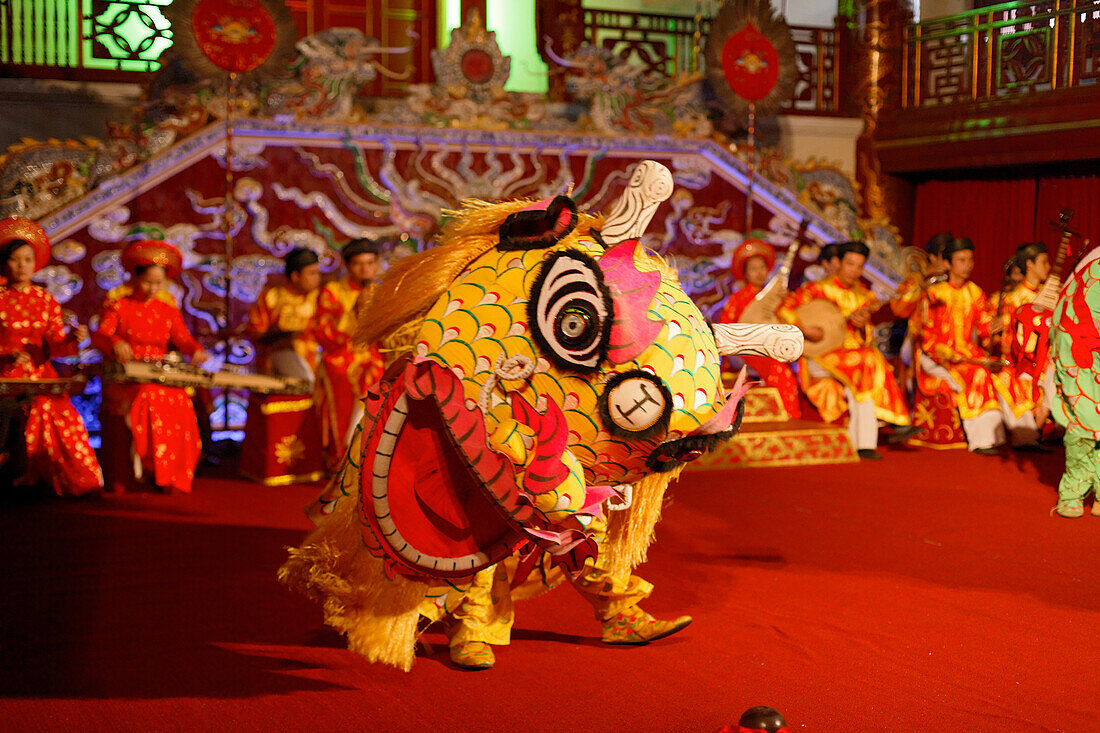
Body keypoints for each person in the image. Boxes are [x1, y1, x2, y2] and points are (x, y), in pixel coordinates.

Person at [778, 241, 918, 459]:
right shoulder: (816, 289)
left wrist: (862, 328)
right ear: (837, 263)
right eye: (850, 264)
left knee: (865, 376)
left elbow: (866, 339)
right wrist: (804, 329)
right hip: (819, 355)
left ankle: (864, 445)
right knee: (870, 359)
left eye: (860, 266)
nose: (855, 271)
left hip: (854, 359)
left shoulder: (865, 296)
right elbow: (783, 310)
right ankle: (896, 419)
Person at [93, 240, 208, 493]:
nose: (153, 288)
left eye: (159, 283)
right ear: (134, 278)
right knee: (149, 397)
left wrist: (195, 350)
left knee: (181, 401)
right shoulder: (119, 306)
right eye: (147, 282)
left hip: (159, 374)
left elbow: (182, 338)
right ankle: (150, 466)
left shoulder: (167, 309)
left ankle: (171, 474)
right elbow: (100, 335)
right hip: (129, 377)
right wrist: (115, 341)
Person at [0, 217, 102, 496]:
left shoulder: (45, 300)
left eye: (28, 259)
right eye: (15, 260)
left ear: (36, 263)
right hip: (5, 376)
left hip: (40, 376)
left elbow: (56, 343)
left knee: (56, 409)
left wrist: (72, 338)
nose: (22, 266)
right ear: (4, 263)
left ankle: (55, 478)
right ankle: (20, 477)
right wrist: (7, 355)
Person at [916, 237, 1039, 455]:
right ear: (948, 264)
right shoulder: (934, 293)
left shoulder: (975, 292)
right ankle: (983, 440)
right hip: (938, 356)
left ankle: (1025, 436)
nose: (968, 265)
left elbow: (983, 328)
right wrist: (947, 354)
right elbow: (926, 335)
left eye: (970, 260)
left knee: (1005, 371)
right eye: (962, 260)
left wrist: (994, 326)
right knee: (979, 374)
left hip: (968, 354)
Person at [312, 238, 385, 465]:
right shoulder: (332, 292)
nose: (366, 269)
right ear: (347, 266)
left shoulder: (382, 291)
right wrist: (352, 313)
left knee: (384, 374)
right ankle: (342, 453)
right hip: (341, 355)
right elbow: (324, 334)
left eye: (370, 263)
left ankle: (373, 455)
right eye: (359, 264)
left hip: (375, 354)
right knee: (348, 374)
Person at [716, 238, 801, 418]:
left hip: (769, 346)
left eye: (762, 268)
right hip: (744, 349)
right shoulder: (737, 298)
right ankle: (788, 414)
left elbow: (782, 322)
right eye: (753, 269)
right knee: (777, 369)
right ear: (745, 272)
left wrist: (785, 302)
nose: (759, 273)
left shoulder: (773, 295)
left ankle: (785, 414)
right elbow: (726, 327)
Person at [1048, 242, 1100, 517]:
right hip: (1079, 350)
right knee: (1082, 423)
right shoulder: (1094, 264)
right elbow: (1067, 314)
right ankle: (1073, 490)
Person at [245, 247, 322, 386]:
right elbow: (254, 332)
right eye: (312, 273)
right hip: (277, 361)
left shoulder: (320, 298)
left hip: (314, 361)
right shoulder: (272, 297)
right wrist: (280, 337)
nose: (317, 278)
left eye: (317, 273)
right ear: (295, 276)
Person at [999, 242, 1054, 424]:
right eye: (1044, 262)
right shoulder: (1014, 298)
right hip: (1025, 362)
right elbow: (1009, 341)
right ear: (1029, 264)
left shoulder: (1050, 296)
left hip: (1048, 359)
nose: (1048, 267)